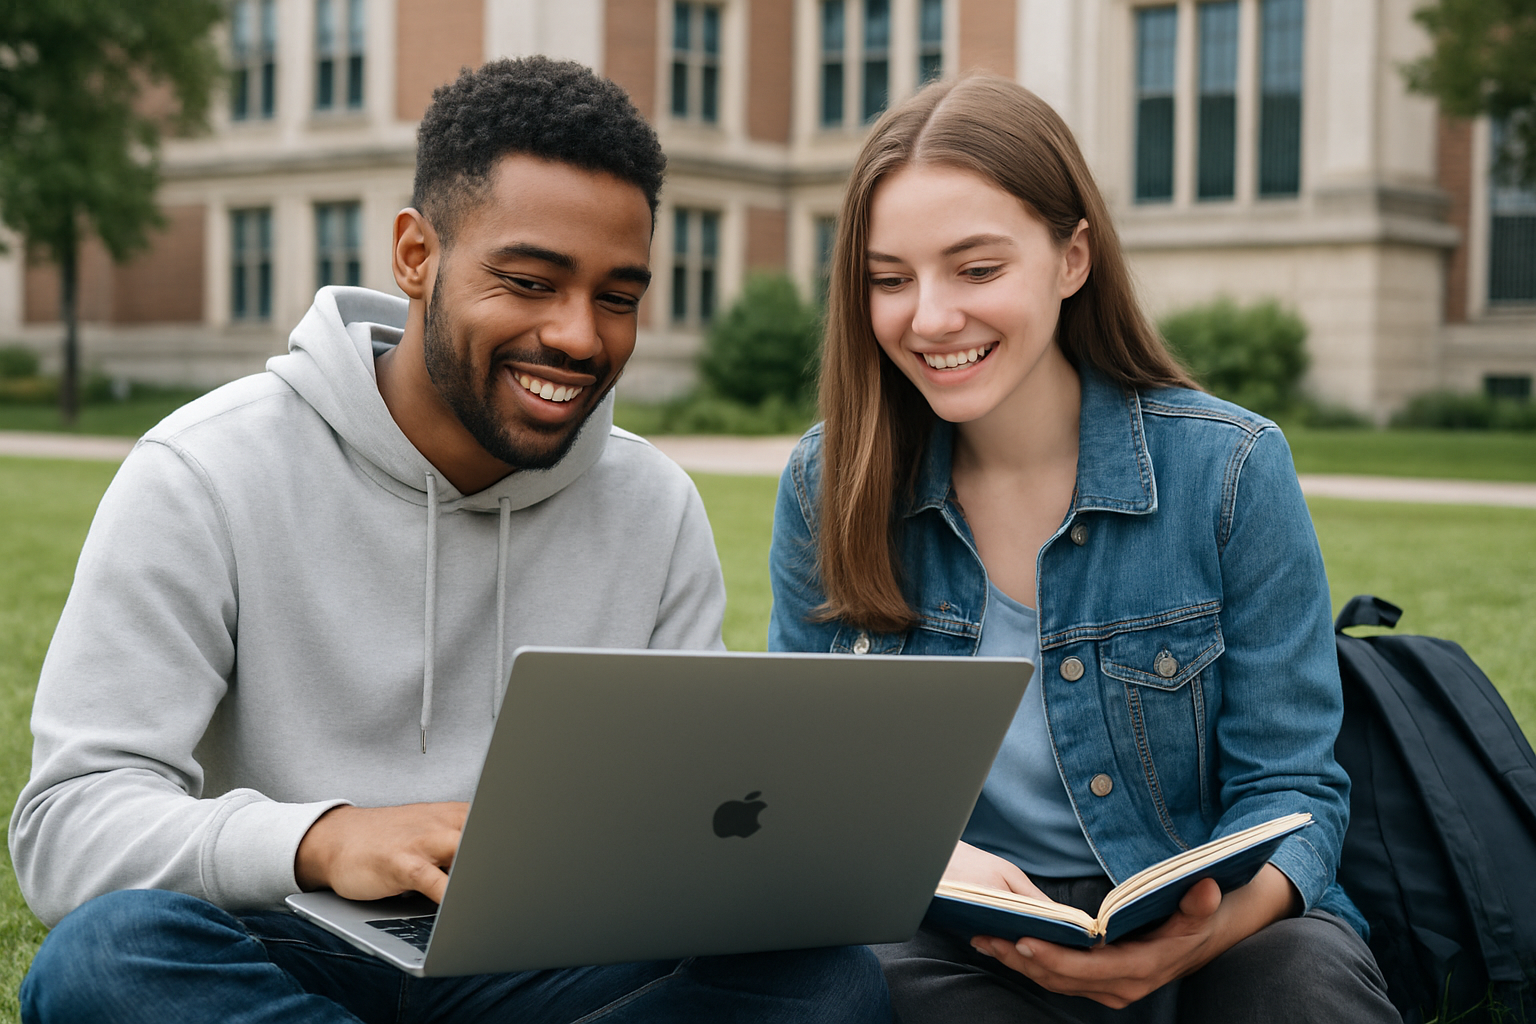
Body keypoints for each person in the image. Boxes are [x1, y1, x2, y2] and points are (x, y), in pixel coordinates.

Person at [10, 57, 889, 1024]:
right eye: (528, 281)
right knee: (106, 961)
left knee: (826, 982)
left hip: (543, 960)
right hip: (293, 934)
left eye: (618, 297)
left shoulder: (653, 505)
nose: (580, 337)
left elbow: (695, 825)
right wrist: (322, 838)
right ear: (416, 256)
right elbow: (68, 825)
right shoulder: (203, 472)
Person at [767, 75, 1400, 1023]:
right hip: (954, 939)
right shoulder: (832, 483)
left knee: (1305, 993)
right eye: (889, 279)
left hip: (1215, 926)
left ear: (1073, 259)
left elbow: (1294, 790)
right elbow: (807, 777)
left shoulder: (1228, 470)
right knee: (869, 993)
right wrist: (925, 857)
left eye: (977, 271)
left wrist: (1196, 939)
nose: (929, 318)